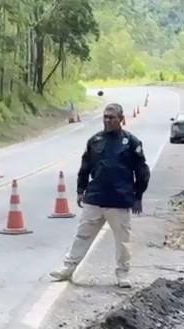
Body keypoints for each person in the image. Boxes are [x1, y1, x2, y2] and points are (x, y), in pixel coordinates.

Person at [48, 103, 150, 289]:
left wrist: (138, 196)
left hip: (119, 201)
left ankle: (122, 274)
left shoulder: (131, 142)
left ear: (121, 119)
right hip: (95, 199)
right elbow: (85, 168)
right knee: (82, 235)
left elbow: (142, 171)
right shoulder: (95, 141)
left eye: (112, 117)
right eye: (106, 117)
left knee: (123, 242)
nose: (108, 120)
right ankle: (68, 268)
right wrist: (81, 190)